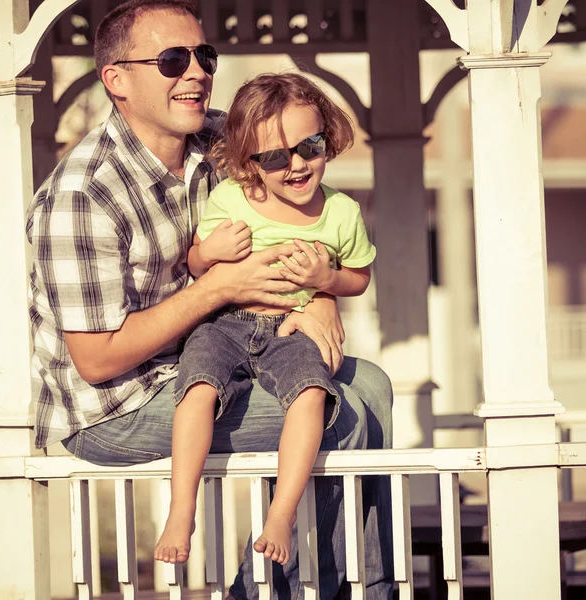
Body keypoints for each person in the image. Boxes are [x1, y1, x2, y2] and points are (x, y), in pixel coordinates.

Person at [25, 0, 393, 598]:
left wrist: (318, 292)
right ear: (116, 80)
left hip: (230, 350)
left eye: (204, 55)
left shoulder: (221, 141)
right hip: (114, 405)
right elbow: (97, 360)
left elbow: (304, 197)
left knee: (373, 385)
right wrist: (218, 288)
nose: (195, 71)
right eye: (173, 59)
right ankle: (304, 589)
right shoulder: (82, 195)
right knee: (345, 415)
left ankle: (347, 585)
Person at [154, 72, 377, 567]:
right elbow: (197, 265)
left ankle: (281, 513)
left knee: (313, 394)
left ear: (328, 138)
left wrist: (326, 280)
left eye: (309, 147)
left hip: (290, 324)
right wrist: (208, 250)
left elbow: (358, 277)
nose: (296, 166)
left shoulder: (341, 212)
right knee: (197, 389)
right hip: (225, 322)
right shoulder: (232, 199)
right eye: (275, 157)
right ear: (248, 161)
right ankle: (181, 508)